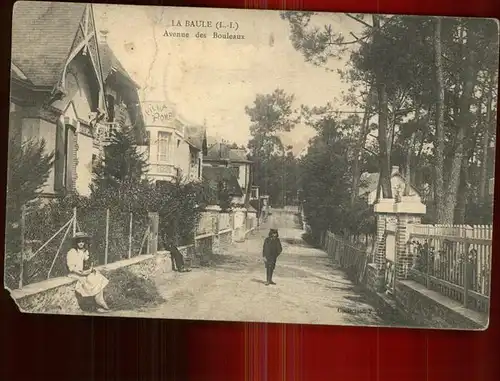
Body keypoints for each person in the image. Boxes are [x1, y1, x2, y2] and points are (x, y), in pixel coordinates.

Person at [66, 232, 110, 312]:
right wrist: (82, 273)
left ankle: (99, 301)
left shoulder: (84, 251)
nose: (81, 243)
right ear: (76, 242)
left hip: (82, 272)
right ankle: (98, 303)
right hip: (75, 274)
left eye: (83, 241)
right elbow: (71, 268)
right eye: (79, 242)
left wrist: (90, 269)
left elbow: (87, 263)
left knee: (98, 276)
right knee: (90, 281)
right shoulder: (72, 252)